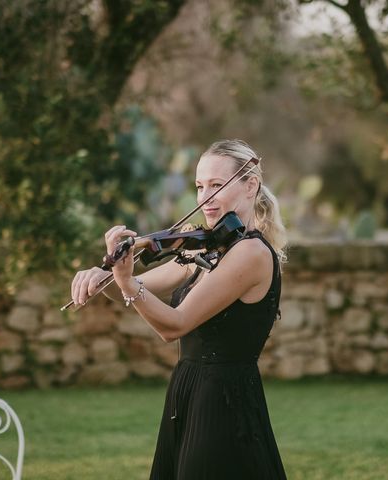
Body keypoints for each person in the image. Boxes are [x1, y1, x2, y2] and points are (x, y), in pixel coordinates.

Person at [70, 139, 288, 479]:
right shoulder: (207, 250)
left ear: (250, 185)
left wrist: (127, 283)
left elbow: (174, 325)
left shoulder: (251, 254)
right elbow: (139, 286)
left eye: (217, 185)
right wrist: (105, 274)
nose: (205, 198)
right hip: (188, 390)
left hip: (223, 402)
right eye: (200, 186)